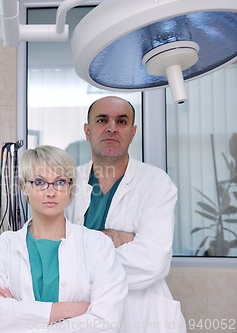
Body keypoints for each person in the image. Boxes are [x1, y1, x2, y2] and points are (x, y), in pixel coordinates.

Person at [0, 145, 128, 333]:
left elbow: (106, 321)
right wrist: (66, 310)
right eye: (39, 182)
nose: (50, 192)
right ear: (24, 187)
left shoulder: (97, 246)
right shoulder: (3, 247)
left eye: (60, 182)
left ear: (70, 188)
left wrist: (20, 315)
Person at [68, 96, 186, 332]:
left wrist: (79, 251)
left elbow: (152, 262)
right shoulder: (67, 182)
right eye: (102, 120)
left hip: (141, 319)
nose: (112, 127)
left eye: (121, 122)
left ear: (132, 133)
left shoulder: (155, 183)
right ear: (88, 130)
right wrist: (121, 238)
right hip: (81, 318)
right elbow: (50, 248)